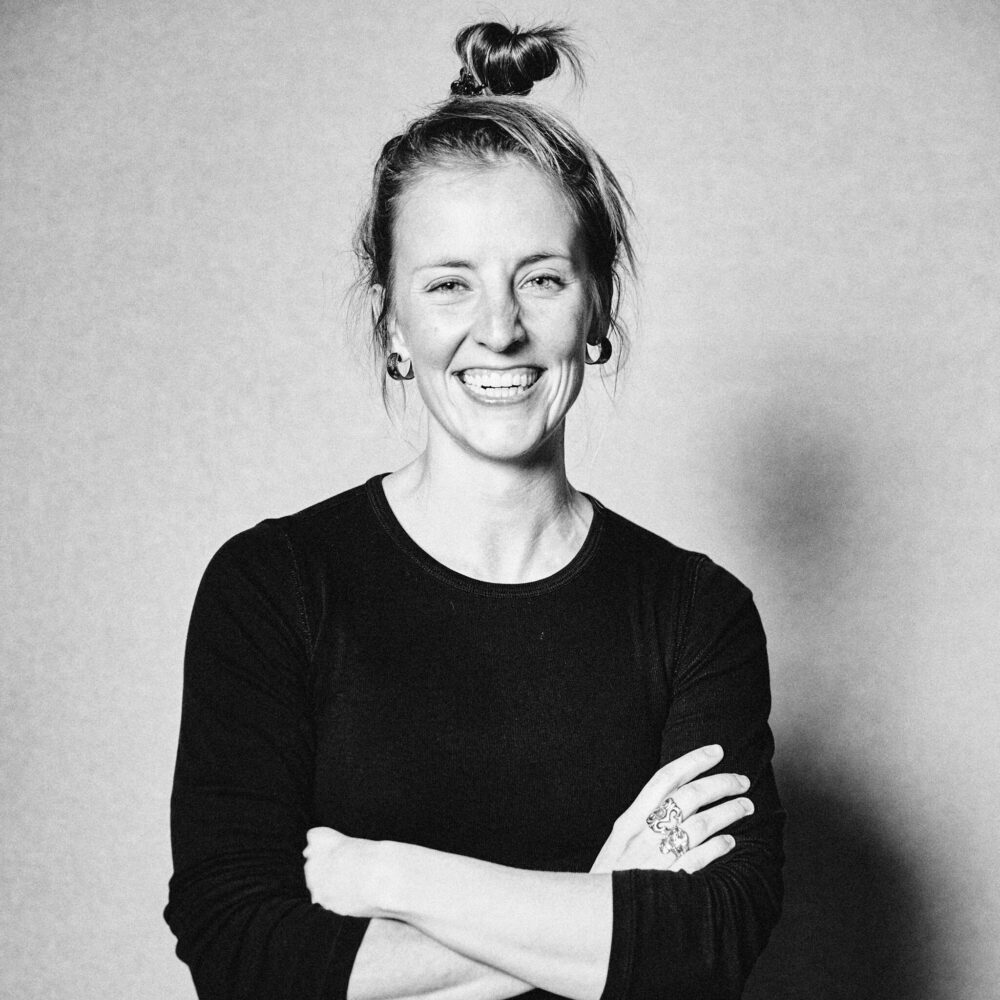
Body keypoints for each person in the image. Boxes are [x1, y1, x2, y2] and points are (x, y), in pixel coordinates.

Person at [165, 21, 784, 1000]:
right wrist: (598, 901)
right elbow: (245, 959)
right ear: (394, 324)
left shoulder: (694, 614)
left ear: (597, 311)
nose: (497, 328)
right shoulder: (273, 588)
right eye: (449, 283)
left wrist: (389, 881)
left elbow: (699, 950)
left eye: (539, 278)